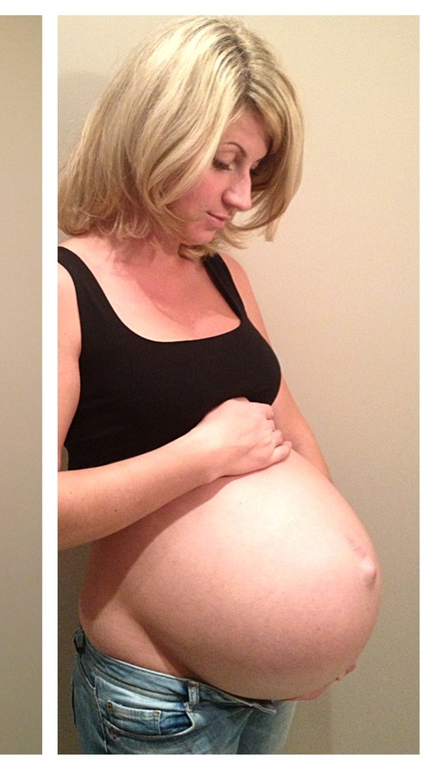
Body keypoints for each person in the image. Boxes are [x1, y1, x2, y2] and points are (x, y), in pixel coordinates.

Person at [58, 16, 380, 754]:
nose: (241, 196)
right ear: (154, 133)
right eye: (224, 161)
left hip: (269, 695)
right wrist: (199, 456)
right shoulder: (66, 288)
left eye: (254, 169)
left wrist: (325, 608)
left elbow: (290, 429)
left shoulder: (225, 275)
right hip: (157, 700)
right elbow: (46, 512)